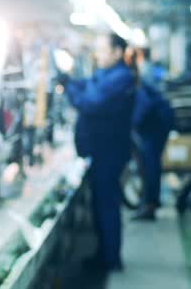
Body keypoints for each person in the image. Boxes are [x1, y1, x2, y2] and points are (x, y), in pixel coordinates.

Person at [59, 33, 136, 271]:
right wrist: (69, 79)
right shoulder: (107, 74)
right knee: (100, 203)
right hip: (101, 150)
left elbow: (89, 103)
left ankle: (111, 259)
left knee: (106, 204)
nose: (98, 55)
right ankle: (105, 254)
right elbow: (88, 86)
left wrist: (68, 84)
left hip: (109, 152)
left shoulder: (121, 77)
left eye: (103, 50)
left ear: (116, 52)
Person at [131, 70, 174, 220]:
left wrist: (132, 124)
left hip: (156, 127)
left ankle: (150, 206)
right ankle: (152, 202)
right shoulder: (137, 81)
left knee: (151, 165)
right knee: (152, 164)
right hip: (158, 124)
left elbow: (144, 106)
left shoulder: (134, 84)